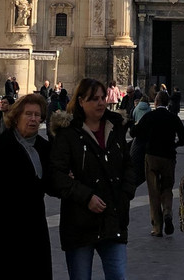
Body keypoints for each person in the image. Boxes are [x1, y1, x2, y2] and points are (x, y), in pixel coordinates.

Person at [50, 78, 134, 280]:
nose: (101, 103)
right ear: (80, 101)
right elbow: (57, 175)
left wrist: (125, 196)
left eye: (102, 98)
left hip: (112, 218)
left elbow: (129, 167)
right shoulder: (68, 134)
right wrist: (86, 197)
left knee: (118, 276)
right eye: (94, 99)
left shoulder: (116, 128)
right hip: (80, 222)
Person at [0, 92, 54, 280]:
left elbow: (51, 185)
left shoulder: (44, 148)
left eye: (37, 115)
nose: (33, 119)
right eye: (28, 114)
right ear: (16, 117)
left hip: (33, 231)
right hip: (0, 234)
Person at [130, 89, 184, 237]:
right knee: (167, 188)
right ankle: (167, 212)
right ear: (167, 102)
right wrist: (175, 144)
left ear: (156, 102)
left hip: (152, 157)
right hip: (168, 157)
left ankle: (157, 227)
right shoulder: (173, 117)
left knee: (154, 191)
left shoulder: (150, 116)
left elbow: (134, 132)